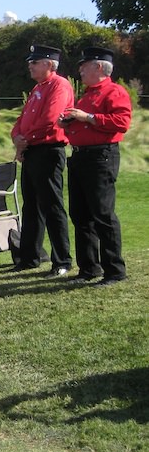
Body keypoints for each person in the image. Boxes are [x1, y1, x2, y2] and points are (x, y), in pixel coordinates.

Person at [60, 46, 132, 286]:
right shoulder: (88, 94)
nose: (80, 69)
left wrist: (87, 118)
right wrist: (69, 123)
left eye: (85, 65)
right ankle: (89, 268)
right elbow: (84, 125)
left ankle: (114, 270)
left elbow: (121, 122)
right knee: (80, 214)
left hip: (101, 157)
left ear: (99, 67)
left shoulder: (114, 92)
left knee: (102, 214)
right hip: (80, 156)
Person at [10, 44, 74, 276]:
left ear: (49, 64)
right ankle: (29, 257)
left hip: (48, 150)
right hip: (32, 151)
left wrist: (25, 139)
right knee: (31, 206)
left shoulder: (59, 85)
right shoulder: (39, 87)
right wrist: (16, 136)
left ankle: (62, 261)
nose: (30, 65)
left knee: (52, 206)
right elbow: (22, 118)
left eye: (35, 62)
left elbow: (50, 119)